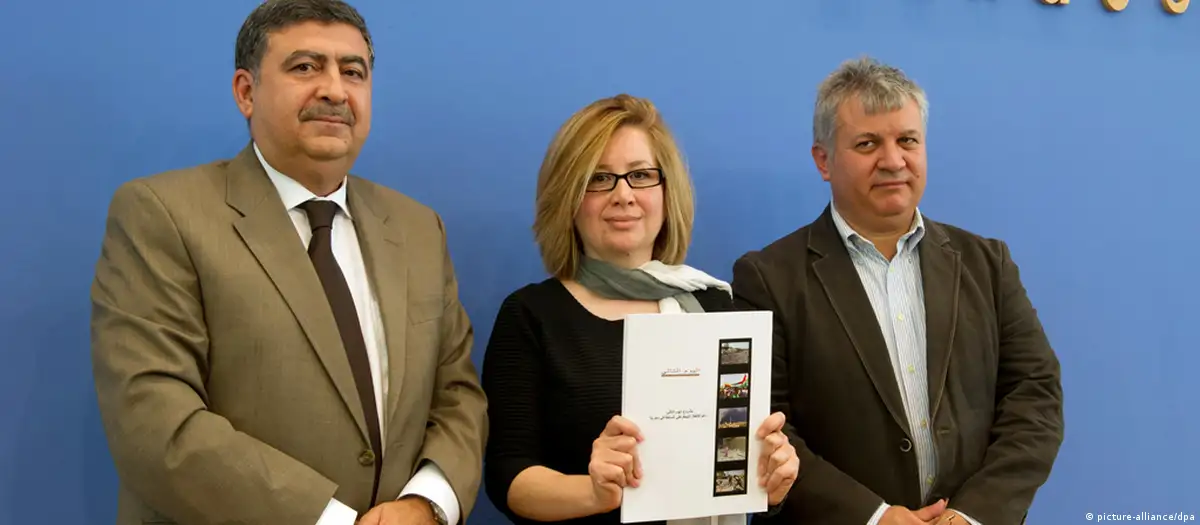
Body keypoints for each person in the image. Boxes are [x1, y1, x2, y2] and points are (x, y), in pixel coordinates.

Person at [88, 1, 487, 524]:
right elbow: (154, 419)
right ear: (246, 92)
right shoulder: (162, 214)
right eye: (305, 67)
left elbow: (457, 394)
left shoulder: (418, 229)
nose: (335, 91)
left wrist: (427, 504)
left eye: (353, 72)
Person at [730, 56, 1065, 525]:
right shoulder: (767, 279)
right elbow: (764, 428)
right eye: (867, 144)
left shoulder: (988, 264)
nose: (893, 161)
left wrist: (972, 515)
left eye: (907, 140)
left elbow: (1035, 397)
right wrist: (875, 517)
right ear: (823, 160)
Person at [479, 94, 800, 525]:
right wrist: (593, 493)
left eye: (641, 175)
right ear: (568, 197)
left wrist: (770, 481)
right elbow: (508, 477)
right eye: (599, 178)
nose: (623, 195)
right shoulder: (530, 315)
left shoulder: (717, 308)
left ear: (667, 192)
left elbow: (737, 459)